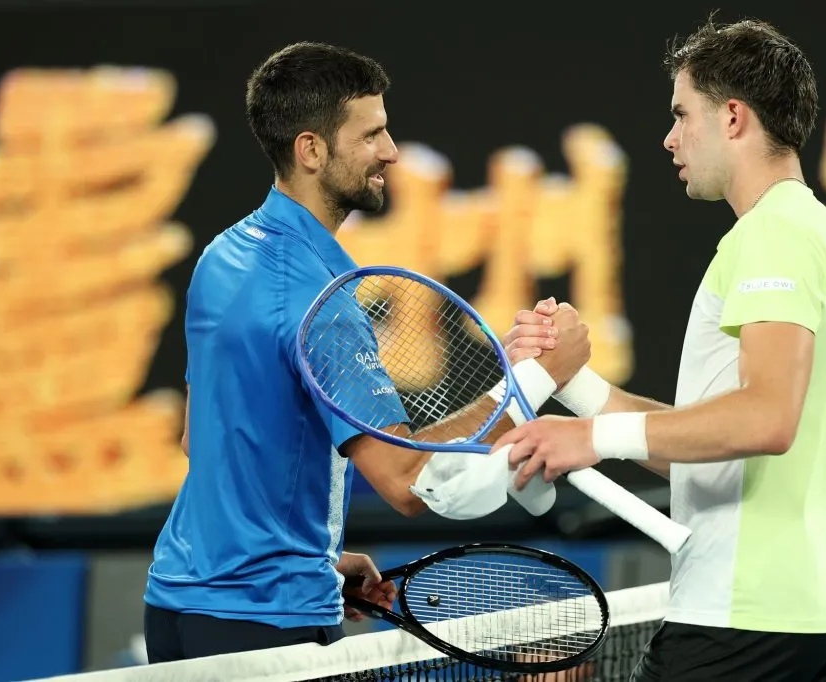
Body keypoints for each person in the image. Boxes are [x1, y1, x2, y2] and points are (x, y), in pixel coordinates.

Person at [142, 41, 589, 664]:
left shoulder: (223, 254)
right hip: (266, 628)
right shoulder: (323, 301)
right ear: (312, 150)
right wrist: (536, 377)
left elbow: (205, 442)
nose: (391, 151)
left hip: (176, 608)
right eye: (372, 134)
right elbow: (410, 482)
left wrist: (317, 558)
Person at [496, 17, 826, 682]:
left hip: (743, 622)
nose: (670, 137)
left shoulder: (771, 238)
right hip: (807, 617)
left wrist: (590, 437)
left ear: (733, 117)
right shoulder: (807, 229)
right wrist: (572, 381)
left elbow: (765, 419)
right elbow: (715, 453)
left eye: (681, 113)